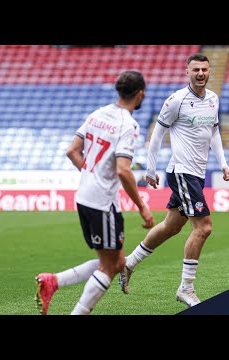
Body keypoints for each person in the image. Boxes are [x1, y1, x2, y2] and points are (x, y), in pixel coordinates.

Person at [34, 70, 155, 315]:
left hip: (84, 197)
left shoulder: (98, 114)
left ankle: (53, 281)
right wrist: (142, 206)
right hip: (103, 203)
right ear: (140, 94)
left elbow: (72, 151)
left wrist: (91, 174)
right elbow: (123, 170)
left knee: (115, 262)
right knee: (110, 267)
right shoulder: (128, 125)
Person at [118, 53, 229, 308]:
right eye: (196, 70)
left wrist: (223, 162)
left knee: (171, 226)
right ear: (187, 72)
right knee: (203, 228)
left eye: (204, 69)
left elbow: (214, 132)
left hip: (196, 174)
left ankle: (128, 264)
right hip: (181, 172)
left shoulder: (213, 99)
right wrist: (150, 169)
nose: (201, 73)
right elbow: (157, 134)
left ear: (209, 71)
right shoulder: (176, 100)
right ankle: (186, 288)